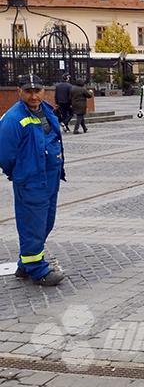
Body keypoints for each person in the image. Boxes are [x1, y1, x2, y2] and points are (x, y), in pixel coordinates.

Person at [0, 74, 66, 286]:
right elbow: (5, 155)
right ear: (20, 92)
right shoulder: (13, 119)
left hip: (50, 177)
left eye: (37, 90)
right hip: (31, 180)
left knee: (46, 222)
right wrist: (21, 173)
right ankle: (37, 270)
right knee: (33, 225)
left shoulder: (47, 111)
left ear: (44, 91)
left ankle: (25, 263)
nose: (33, 95)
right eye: (28, 91)